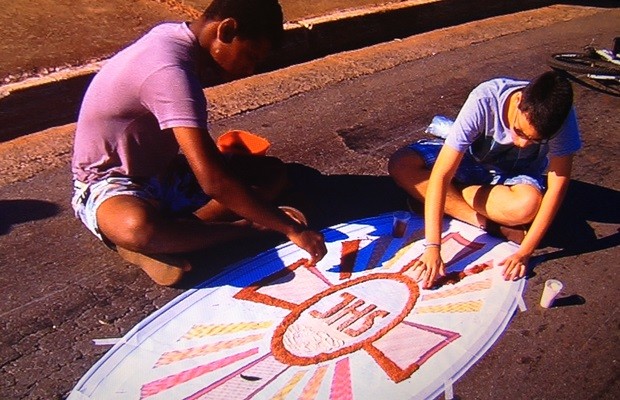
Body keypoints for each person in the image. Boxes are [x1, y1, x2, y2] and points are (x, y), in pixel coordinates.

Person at [71, 0, 327, 286]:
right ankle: (240, 230)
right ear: (226, 31)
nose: (250, 69)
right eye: (250, 56)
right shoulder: (169, 71)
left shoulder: (174, 37)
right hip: (114, 182)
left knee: (272, 173)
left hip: (165, 172)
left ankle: (176, 239)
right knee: (138, 229)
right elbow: (213, 182)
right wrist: (289, 228)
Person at [388, 71, 580, 289]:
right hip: (470, 159)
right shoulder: (486, 97)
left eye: (535, 140)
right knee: (401, 164)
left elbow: (557, 187)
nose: (521, 143)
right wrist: (433, 246)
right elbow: (442, 173)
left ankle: (437, 197)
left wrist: (525, 252)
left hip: (515, 176)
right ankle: (482, 221)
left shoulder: (562, 119)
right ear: (519, 101)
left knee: (527, 206)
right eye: (519, 131)